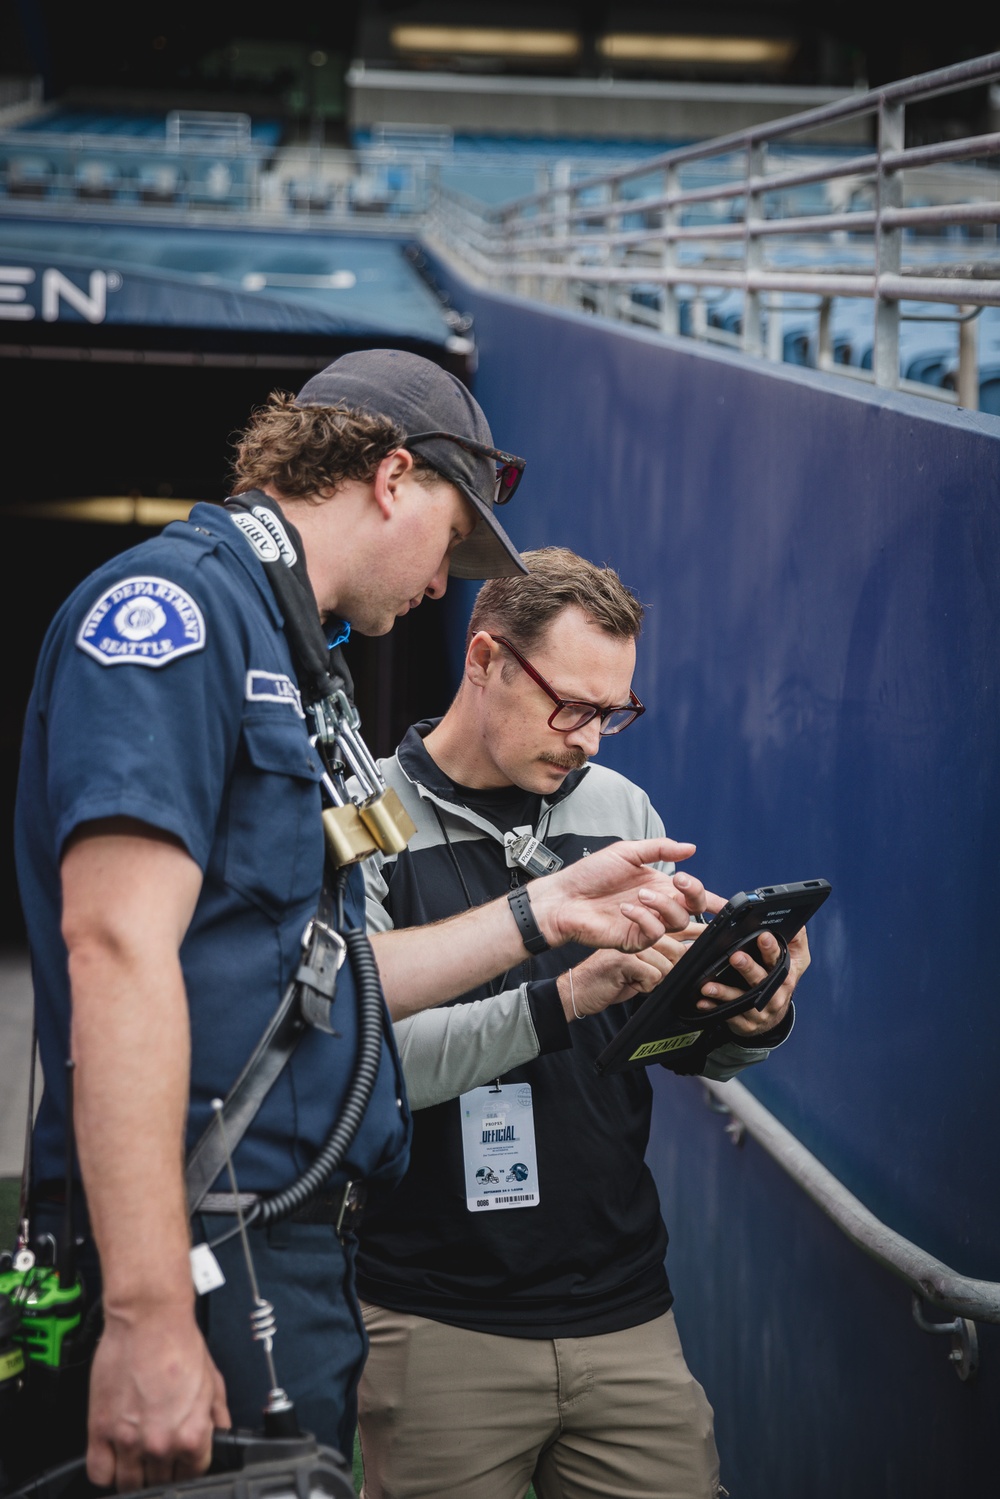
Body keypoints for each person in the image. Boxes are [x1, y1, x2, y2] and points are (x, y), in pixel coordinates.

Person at [13, 355, 705, 1492]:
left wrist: (541, 913)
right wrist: (144, 1312)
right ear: (392, 475)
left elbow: (325, 975)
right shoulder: (180, 614)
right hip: (203, 1243)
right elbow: (118, 949)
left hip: (290, 1244)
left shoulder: (293, 652)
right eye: (453, 538)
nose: (447, 583)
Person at [355, 548, 811, 1499]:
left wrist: (749, 1014)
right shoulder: (367, 822)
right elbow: (368, 1070)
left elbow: (671, 1037)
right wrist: (566, 995)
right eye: (572, 705)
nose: (593, 740)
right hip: (439, 1322)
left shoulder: (618, 808)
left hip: (626, 1309)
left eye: (614, 712)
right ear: (482, 659)